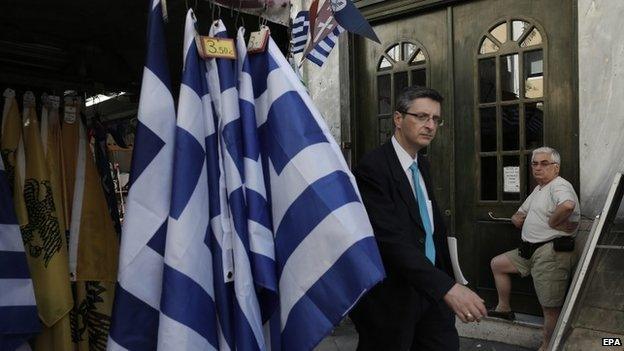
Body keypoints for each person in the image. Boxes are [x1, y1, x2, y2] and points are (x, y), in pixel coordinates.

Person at [350, 86, 486, 350]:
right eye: (422, 116)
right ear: (398, 119)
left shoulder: (421, 163)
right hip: (391, 300)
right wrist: (447, 288)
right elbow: (391, 241)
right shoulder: (372, 169)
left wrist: (449, 279)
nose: (430, 125)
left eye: (435, 119)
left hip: (431, 293)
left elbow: (429, 228)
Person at [489, 146, 579, 351]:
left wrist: (553, 223)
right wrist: (520, 218)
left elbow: (567, 205)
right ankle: (504, 308)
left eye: (544, 163)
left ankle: (547, 347)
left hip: (551, 253)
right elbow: (518, 216)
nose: (538, 168)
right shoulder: (539, 189)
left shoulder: (559, 185)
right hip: (529, 250)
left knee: (550, 307)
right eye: (535, 164)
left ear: (556, 167)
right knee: (498, 264)